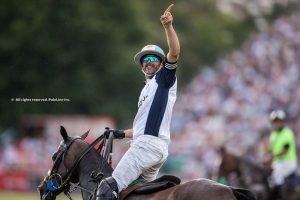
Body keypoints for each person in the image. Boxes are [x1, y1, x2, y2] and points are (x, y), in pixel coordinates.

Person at [97, 4, 180, 200]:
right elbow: (142, 128)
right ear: (141, 65)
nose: (149, 61)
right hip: (153, 147)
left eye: (153, 58)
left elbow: (175, 52)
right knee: (130, 194)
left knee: (107, 188)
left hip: (147, 147)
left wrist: (168, 27)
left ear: (161, 63)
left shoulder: (163, 79)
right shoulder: (147, 88)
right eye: (145, 59)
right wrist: (119, 134)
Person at [267, 109, 297, 199]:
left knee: (277, 175)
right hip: (278, 163)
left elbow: (285, 150)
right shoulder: (273, 135)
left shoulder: (287, 133)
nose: (277, 124)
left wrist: (272, 156)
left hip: (288, 162)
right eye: (275, 122)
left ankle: (280, 197)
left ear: (283, 122)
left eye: (279, 121)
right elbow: (273, 150)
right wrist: (267, 151)